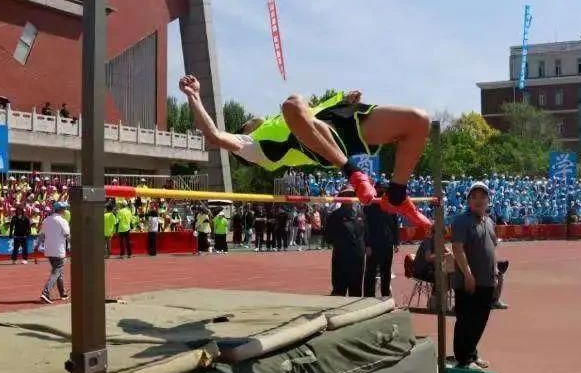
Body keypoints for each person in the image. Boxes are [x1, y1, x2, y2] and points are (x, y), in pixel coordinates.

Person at [179, 75, 431, 228]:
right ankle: (352, 172)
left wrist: (344, 99)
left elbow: (316, 109)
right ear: (244, 131)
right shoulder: (251, 148)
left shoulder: (273, 120)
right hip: (321, 145)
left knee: (418, 121)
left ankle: (397, 194)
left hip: (337, 119)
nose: (251, 118)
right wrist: (194, 96)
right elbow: (214, 135)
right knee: (293, 103)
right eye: (246, 122)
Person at [451, 182, 498, 370]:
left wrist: (495, 271)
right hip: (468, 281)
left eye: (482, 197)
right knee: (466, 320)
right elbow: (457, 248)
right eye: (474, 197)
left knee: (480, 321)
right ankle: (463, 359)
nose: (479, 200)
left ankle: (471, 353)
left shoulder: (489, 221)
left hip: (487, 280)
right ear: (468, 200)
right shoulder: (462, 221)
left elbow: (492, 248)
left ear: (488, 200)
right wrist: (468, 274)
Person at [324, 185, 366, 297]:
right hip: (341, 257)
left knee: (356, 290)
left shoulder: (361, 214)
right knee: (339, 290)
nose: (349, 197)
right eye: (346, 194)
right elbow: (328, 237)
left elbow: (365, 234)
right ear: (341, 197)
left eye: (351, 195)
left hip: (358, 257)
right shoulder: (335, 215)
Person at [364, 182, 399, 298]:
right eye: (380, 189)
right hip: (373, 244)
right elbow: (366, 227)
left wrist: (396, 242)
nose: (383, 192)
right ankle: (369, 296)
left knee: (386, 271)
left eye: (385, 190)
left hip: (387, 244)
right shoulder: (369, 206)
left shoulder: (391, 205)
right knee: (371, 271)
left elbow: (395, 224)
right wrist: (367, 244)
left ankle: (385, 295)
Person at [36, 202, 71, 304]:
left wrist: (37, 245)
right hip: (58, 250)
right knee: (56, 272)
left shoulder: (46, 220)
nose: (65, 210)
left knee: (58, 271)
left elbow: (41, 235)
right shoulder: (62, 221)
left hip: (49, 250)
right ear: (60, 210)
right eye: (64, 208)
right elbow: (67, 235)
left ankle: (62, 293)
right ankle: (45, 293)